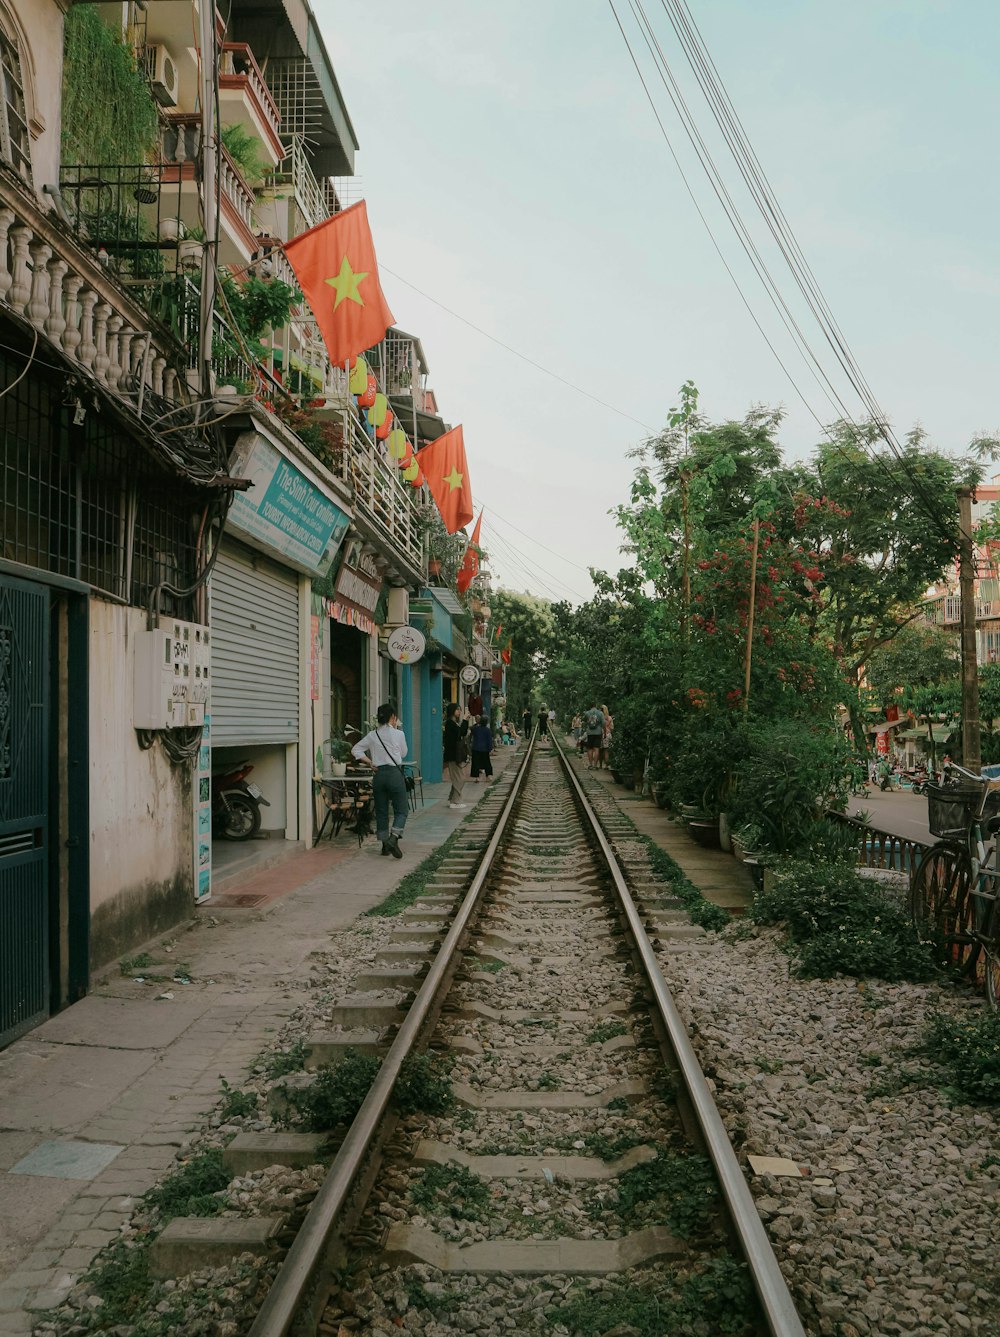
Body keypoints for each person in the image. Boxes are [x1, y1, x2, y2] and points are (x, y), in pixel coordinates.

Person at [351, 703, 408, 858]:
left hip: (379, 775)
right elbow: (403, 753)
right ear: (393, 717)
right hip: (394, 774)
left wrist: (370, 762)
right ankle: (393, 838)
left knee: (382, 811)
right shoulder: (398, 734)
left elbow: (355, 749)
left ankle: (384, 846)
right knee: (402, 810)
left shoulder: (372, 735)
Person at [444, 704, 470, 808]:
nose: (459, 711)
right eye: (457, 710)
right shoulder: (450, 723)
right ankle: (455, 801)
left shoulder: (454, 723)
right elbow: (459, 733)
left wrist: (465, 721)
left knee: (458, 777)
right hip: (453, 755)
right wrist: (464, 720)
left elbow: (462, 732)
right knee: (459, 778)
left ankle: (453, 799)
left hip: (456, 755)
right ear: (452, 711)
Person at [470, 715, 494, 781]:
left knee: (476, 763)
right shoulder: (488, 730)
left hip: (475, 748)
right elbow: (489, 740)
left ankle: (477, 777)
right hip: (484, 749)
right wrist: (490, 749)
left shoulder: (475, 729)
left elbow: (471, 731)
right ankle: (488, 776)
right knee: (487, 762)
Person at [583, 702, 604, 769]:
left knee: (590, 749)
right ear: (595, 706)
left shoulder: (587, 713)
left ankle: (590, 764)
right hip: (598, 732)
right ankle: (595, 765)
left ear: (590, 706)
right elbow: (603, 723)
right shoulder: (600, 713)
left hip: (590, 733)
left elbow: (584, 721)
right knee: (596, 748)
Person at [600, 704, 614, 769]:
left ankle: (600, 765)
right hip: (608, 734)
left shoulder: (600, 717)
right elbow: (612, 728)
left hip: (601, 734)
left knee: (600, 750)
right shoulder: (609, 718)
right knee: (606, 751)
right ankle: (606, 765)